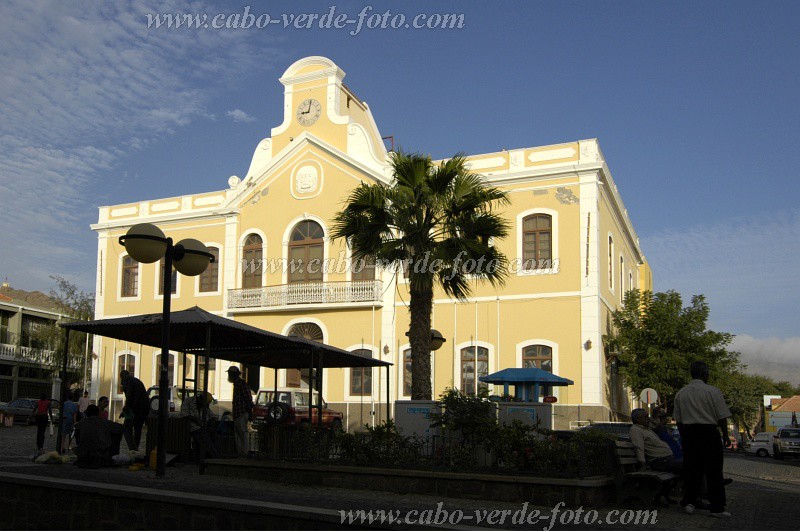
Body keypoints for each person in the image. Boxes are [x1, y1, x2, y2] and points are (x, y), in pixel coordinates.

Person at [674, 360, 732, 518]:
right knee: (714, 470)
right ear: (705, 374)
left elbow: (678, 420)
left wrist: (684, 435)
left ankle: (690, 502)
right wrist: (725, 435)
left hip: (688, 433)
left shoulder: (681, 393)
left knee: (692, 469)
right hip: (708, 432)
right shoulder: (713, 391)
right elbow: (722, 416)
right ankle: (717, 507)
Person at [630, 408, 683, 475]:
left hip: (668, 459)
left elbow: (655, 422)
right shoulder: (636, 429)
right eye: (646, 417)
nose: (649, 419)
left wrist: (654, 414)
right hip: (661, 462)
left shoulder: (646, 429)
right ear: (638, 419)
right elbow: (638, 446)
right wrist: (642, 464)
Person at [180, 390, 221, 459]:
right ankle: (215, 458)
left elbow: (212, 416)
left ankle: (214, 456)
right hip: (192, 427)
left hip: (203, 427)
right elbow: (184, 415)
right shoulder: (188, 401)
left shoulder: (205, 406)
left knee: (215, 436)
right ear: (200, 399)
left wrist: (211, 422)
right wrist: (196, 420)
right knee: (205, 437)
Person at [119, 369, 150, 451]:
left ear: (122, 377)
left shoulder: (127, 381)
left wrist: (126, 408)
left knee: (127, 427)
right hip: (144, 408)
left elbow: (130, 396)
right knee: (138, 428)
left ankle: (132, 448)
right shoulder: (137, 381)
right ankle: (135, 447)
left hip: (136, 409)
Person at [227, 366, 253, 457]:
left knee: (242, 432)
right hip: (238, 413)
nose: (228, 376)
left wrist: (249, 412)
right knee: (238, 433)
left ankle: (244, 452)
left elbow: (248, 399)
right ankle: (240, 452)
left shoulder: (241, 384)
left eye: (229, 374)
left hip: (241, 412)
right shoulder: (237, 384)